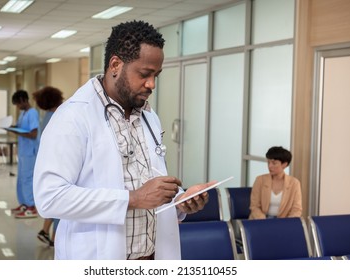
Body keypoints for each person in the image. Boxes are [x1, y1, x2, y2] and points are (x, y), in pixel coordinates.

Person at [33, 20, 214, 260]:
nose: (152, 84)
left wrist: (180, 199)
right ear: (116, 65)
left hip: (153, 257)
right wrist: (133, 198)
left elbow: (148, 180)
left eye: (156, 75)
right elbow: (50, 198)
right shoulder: (73, 117)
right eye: (145, 74)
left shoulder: (148, 116)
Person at [33, 86, 64, 247]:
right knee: (60, 205)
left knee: (54, 202)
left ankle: (48, 233)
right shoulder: (57, 116)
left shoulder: (47, 116)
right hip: (58, 165)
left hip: (48, 165)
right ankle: (54, 239)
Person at [249, 146, 302, 219]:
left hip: (283, 222)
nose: (270, 166)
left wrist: (286, 223)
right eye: (268, 162)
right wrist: (264, 222)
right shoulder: (260, 180)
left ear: (284, 164)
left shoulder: (294, 183)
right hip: (260, 221)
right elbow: (254, 206)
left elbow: (296, 209)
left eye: (274, 163)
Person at [9, 89, 39, 218]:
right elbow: (22, 128)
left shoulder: (32, 113)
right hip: (23, 152)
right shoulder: (23, 113)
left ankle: (31, 206)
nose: (17, 107)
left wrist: (16, 132)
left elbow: (33, 134)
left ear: (23, 100)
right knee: (21, 179)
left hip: (30, 153)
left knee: (27, 179)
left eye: (17, 104)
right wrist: (11, 127)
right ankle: (24, 204)